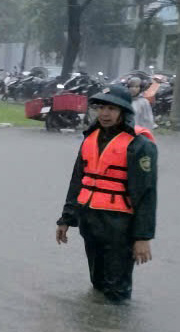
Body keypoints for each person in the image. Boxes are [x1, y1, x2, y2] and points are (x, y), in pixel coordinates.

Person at [56, 84, 157, 303]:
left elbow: (146, 194)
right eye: (101, 107)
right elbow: (77, 182)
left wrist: (142, 237)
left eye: (112, 108)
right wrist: (66, 219)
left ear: (124, 111)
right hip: (90, 221)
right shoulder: (89, 139)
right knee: (97, 283)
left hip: (119, 226)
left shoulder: (139, 146)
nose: (105, 113)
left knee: (117, 292)